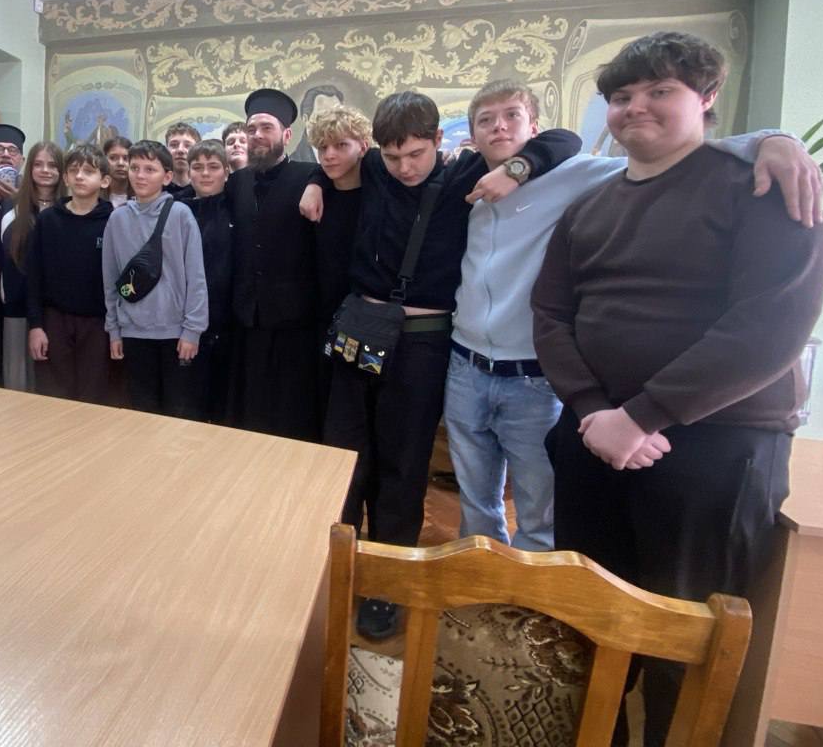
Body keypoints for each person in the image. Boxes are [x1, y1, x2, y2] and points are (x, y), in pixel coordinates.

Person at [531, 32, 823, 745]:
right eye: (622, 96)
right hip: (592, 437)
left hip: (714, 448)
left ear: (706, 97)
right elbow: (549, 313)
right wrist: (595, 411)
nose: (636, 107)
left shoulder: (762, 187)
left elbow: (771, 324)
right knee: (591, 625)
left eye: (660, 91)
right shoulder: (589, 207)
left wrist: (644, 415)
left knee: (689, 642)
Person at [445, 78, 823, 555]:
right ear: (473, 135)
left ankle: (529, 591)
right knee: (475, 497)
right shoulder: (462, 179)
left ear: (534, 126)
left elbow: (672, 152)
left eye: (511, 116)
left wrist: (772, 140)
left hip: (533, 377)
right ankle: (474, 578)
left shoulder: (578, 175)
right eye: (486, 120)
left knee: (539, 506)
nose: (499, 127)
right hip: (466, 366)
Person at [300, 90, 580, 641]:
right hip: (361, 332)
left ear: (439, 140)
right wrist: (314, 179)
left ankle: (388, 583)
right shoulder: (374, 167)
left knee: (403, 465)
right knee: (344, 454)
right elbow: (332, 157)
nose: (404, 168)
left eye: (416, 154)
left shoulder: (468, 170)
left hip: (422, 344)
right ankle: (338, 563)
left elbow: (563, 141)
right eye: (393, 157)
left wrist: (517, 169)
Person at [226, 89, 322, 441]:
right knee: (247, 414)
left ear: (287, 135)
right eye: (251, 129)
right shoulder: (237, 182)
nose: (257, 135)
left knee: (289, 416)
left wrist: (317, 183)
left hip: (293, 323)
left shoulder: (310, 176)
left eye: (266, 128)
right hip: (246, 318)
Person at [102, 140, 208, 418]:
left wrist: (193, 330)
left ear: (167, 176)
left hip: (176, 333)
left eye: (150, 169)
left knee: (177, 412)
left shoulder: (181, 214)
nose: (140, 175)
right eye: (135, 168)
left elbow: (196, 278)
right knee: (142, 411)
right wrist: (114, 330)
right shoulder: (117, 219)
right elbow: (110, 280)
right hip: (133, 332)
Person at [26, 144, 114, 402]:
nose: (79, 176)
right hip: (55, 320)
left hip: (98, 323)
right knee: (53, 395)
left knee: (94, 395)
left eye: (88, 171)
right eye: (74, 170)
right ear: (65, 178)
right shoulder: (48, 220)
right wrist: (36, 326)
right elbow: (34, 276)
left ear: (105, 180)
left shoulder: (113, 220)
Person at [307, 103, 370, 427]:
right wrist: (315, 182)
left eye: (341, 145)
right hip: (322, 319)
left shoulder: (380, 194)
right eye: (323, 148)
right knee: (325, 405)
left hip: (365, 321)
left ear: (363, 147)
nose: (329, 155)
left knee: (356, 409)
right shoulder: (315, 198)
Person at [0, 140, 64, 392]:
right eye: (38, 164)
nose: (45, 170)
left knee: (50, 383)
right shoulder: (11, 206)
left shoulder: (67, 207)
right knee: (17, 381)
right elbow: (6, 259)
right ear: (29, 168)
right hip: (17, 307)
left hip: (55, 311)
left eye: (52, 165)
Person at [182, 140, 236, 423]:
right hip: (187, 325)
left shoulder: (237, 209)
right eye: (198, 167)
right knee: (190, 404)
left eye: (213, 167)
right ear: (188, 172)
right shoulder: (178, 210)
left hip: (229, 323)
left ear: (226, 172)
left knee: (224, 406)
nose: (205, 173)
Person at [289, 84, 344, 163]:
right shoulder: (293, 165)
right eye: (323, 115)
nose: (332, 120)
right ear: (306, 119)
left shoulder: (353, 158)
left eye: (338, 114)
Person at [163, 121, 200, 197]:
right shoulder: (156, 189)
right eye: (174, 145)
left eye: (188, 146)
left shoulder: (204, 189)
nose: (180, 150)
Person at [103, 135, 133, 207]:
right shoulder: (94, 196)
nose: (120, 163)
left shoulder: (141, 196)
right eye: (113, 158)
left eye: (126, 158)